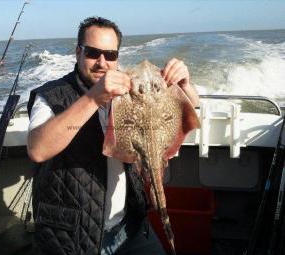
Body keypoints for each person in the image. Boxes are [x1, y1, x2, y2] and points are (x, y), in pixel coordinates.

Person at [27, 16, 199, 255]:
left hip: (130, 227)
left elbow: (188, 111)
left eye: (110, 55)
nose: (101, 62)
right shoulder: (52, 96)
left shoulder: (125, 92)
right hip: (75, 238)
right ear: (78, 52)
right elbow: (38, 149)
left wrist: (184, 85)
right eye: (92, 53)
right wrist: (94, 97)